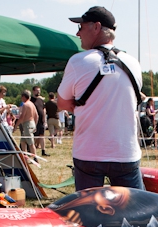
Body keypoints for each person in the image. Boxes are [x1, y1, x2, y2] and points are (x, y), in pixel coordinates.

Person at [57, 6, 144, 190]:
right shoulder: (133, 63)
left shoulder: (78, 61)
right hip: (125, 153)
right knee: (135, 214)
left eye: (81, 27)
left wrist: (82, 106)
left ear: (96, 27)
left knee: (87, 214)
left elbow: (62, 103)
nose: (78, 33)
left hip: (89, 154)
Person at [13, 90, 38, 158]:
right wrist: (35, 125)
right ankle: (25, 156)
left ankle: (35, 158)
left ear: (24, 97)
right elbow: (36, 116)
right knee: (23, 141)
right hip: (31, 123)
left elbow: (22, 117)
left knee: (30, 143)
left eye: (21, 96)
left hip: (27, 124)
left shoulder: (25, 105)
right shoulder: (32, 104)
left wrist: (16, 126)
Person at [31, 85, 47, 156]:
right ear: (33, 91)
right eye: (37, 90)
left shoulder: (41, 100)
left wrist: (44, 119)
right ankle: (33, 152)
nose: (38, 92)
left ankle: (43, 151)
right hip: (34, 121)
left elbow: (44, 109)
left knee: (42, 135)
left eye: (39, 91)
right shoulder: (31, 100)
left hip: (41, 121)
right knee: (34, 136)